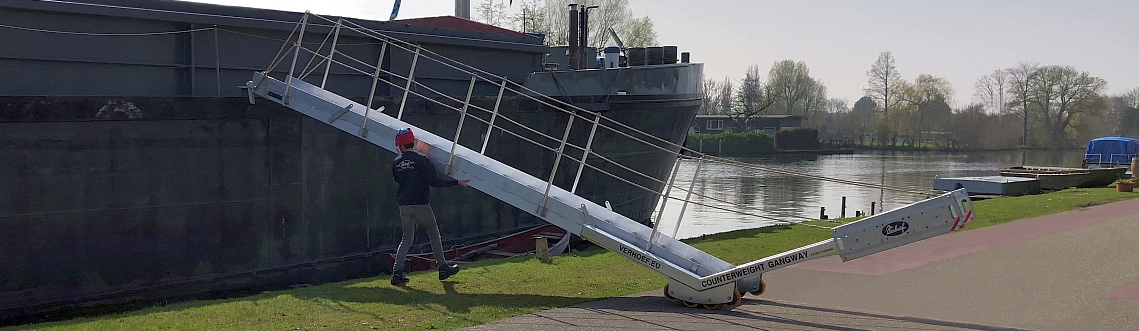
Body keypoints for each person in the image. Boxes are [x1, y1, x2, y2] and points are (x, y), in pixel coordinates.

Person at [390, 128, 470, 286]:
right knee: (434, 235)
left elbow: (397, 179)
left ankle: (397, 273)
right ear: (413, 142)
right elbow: (434, 181)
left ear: (400, 146)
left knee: (406, 238)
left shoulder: (396, 162)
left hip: (404, 204)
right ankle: (443, 268)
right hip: (421, 203)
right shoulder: (422, 160)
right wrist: (456, 182)